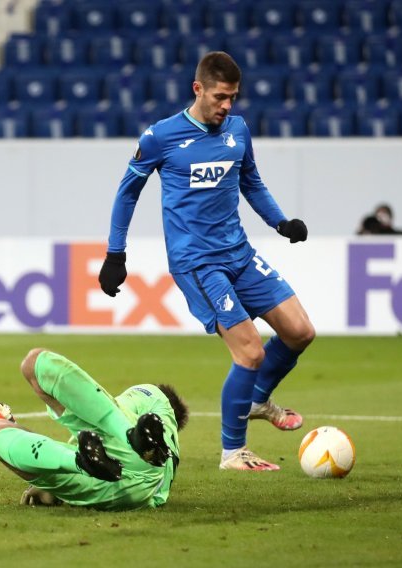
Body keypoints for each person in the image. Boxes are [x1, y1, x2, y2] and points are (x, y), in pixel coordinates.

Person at [98, 51, 316, 472]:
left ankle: (256, 400)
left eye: (233, 97)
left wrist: (280, 222)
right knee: (250, 351)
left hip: (239, 254)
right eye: (220, 97)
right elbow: (127, 193)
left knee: (300, 331)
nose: (227, 106)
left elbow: (251, 181)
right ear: (197, 89)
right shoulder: (161, 136)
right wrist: (115, 253)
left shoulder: (238, 129)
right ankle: (233, 452)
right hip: (198, 263)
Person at [0, 348, 188, 511]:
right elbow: (87, 444)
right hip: (135, 494)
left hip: (123, 471)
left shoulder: (157, 397)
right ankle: (85, 461)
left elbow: (102, 409)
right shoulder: (167, 451)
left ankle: (113, 443)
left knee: (33, 364)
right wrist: (13, 426)